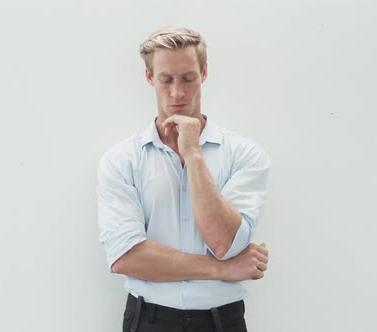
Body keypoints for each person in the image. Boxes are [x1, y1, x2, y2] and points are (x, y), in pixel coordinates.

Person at [96, 26, 271, 332]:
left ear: (204, 73)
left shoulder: (245, 154)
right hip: (147, 320)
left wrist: (192, 153)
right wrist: (223, 269)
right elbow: (126, 257)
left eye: (188, 78)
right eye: (166, 79)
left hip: (222, 321)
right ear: (150, 77)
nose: (177, 93)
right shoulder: (121, 160)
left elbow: (222, 242)